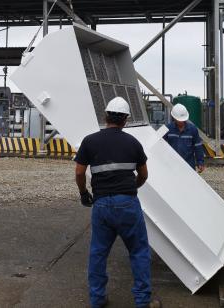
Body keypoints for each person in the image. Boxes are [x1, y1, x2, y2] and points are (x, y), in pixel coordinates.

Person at [74, 97, 161, 308]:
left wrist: (84, 193)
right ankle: (142, 302)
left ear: (105, 117)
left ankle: (97, 300)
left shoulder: (90, 141)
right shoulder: (132, 143)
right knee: (139, 252)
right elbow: (143, 174)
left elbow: (79, 172)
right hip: (128, 204)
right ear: (125, 120)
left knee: (98, 253)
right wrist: (131, 188)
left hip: (102, 204)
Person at [163, 104, 205, 173]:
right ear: (174, 118)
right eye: (179, 120)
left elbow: (198, 147)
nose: (181, 121)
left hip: (189, 165)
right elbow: (159, 144)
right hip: (172, 165)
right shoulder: (168, 129)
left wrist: (200, 162)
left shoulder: (193, 130)